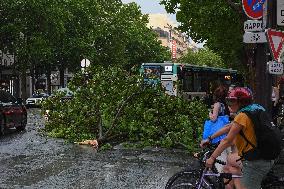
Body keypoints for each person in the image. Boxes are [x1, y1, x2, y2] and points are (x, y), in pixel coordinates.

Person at [201, 87, 273, 189]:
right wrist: (210, 138)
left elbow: (227, 140)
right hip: (263, 153)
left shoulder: (243, 115)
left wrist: (212, 158)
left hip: (258, 159)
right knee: (228, 168)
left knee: (231, 160)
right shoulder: (254, 108)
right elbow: (228, 127)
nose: (229, 105)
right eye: (228, 101)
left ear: (241, 102)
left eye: (232, 101)